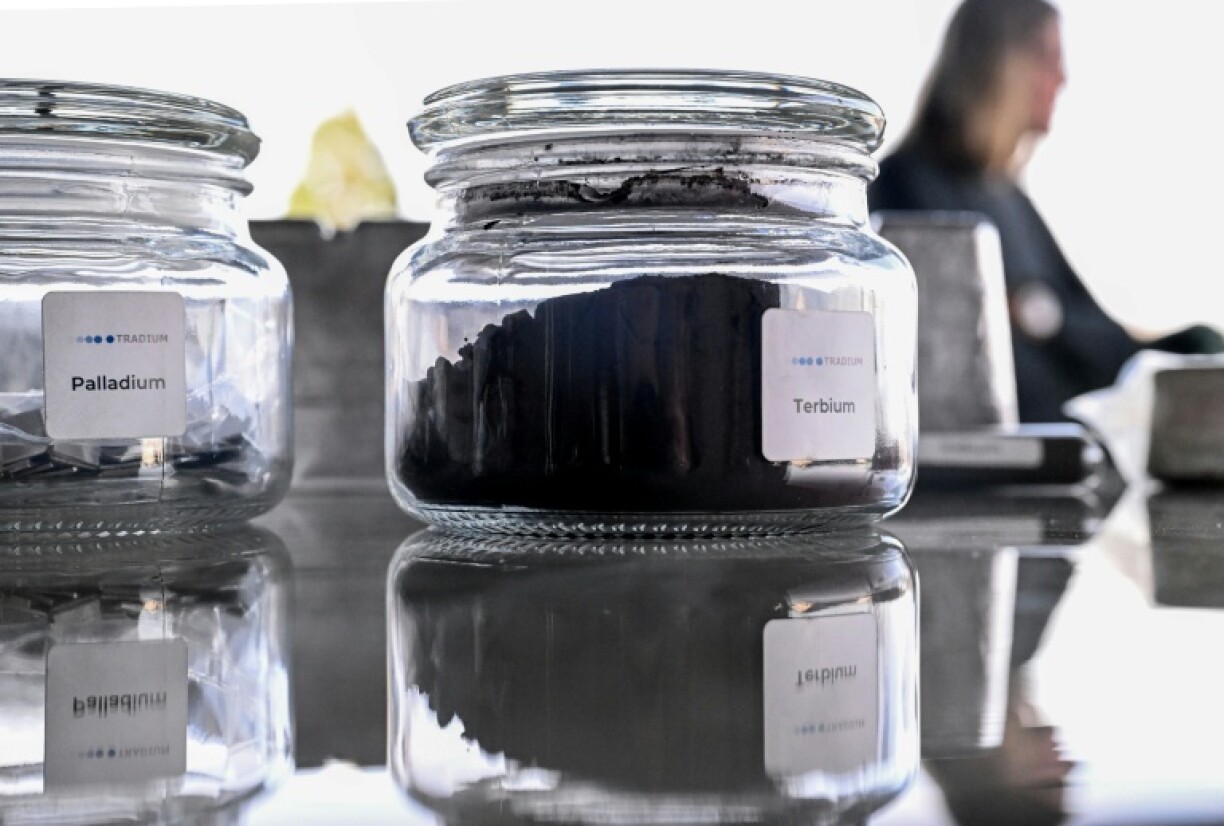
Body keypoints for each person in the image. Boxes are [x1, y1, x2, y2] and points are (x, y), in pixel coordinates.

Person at [869, 0, 1223, 422]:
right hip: (1025, 429)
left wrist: (1042, 315)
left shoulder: (1006, 194)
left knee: (1201, 347)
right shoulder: (909, 183)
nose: (1062, 77)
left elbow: (1087, 323)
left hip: (1075, 402)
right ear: (996, 61)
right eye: (1046, 56)